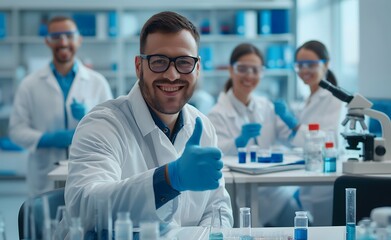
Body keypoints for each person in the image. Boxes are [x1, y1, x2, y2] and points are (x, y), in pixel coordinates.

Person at [62, 11, 233, 236]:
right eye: (159, 62)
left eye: (184, 62)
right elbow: (84, 206)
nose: (172, 75)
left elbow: (217, 206)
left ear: (197, 68)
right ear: (139, 66)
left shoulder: (202, 125)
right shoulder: (103, 124)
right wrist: (167, 180)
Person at [8, 16, 113, 196]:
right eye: (56, 36)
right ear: (47, 41)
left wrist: (89, 117)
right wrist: (49, 139)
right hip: (45, 177)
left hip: (89, 174)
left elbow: (113, 130)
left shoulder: (98, 82)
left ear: (79, 40)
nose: (63, 42)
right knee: (47, 221)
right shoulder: (30, 84)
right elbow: (16, 131)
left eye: (69, 35)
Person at [207, 43, 299, 226]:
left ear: (262, 73)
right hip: (238, 195)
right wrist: (238, 141)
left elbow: (292, 139)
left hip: (274, 192)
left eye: (255, 70)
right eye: (242, 69)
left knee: (300, 223)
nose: (249, 75)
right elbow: (215, 154)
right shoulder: (216, 113)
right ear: (231, 71)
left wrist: (291, 122)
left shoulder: (266, 106)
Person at [292, 40, 343, 225]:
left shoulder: (335, 100)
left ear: (326, 64)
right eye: (299, 65)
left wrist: (295, 127)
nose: (304, 70)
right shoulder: (309, 98)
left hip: (327, 186)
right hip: (310, 183)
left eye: (311, 64)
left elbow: (329, 141)